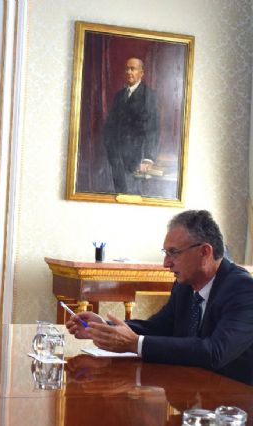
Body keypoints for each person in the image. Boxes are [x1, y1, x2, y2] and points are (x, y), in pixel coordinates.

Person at [66, 210, 253, 385]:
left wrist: (135, 344)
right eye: (166, 253)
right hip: (191, 389)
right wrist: (104, 328)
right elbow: (160, 327)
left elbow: (215, 352)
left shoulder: (243, 289)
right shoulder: (184, 287)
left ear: (205, 252)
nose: (166, 264)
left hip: (234, 401)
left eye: (174, 253)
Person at [103, 57, 159, 195]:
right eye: (127, 69)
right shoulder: (119, 96)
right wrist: (111, 150)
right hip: (116, 159)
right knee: (118, 196)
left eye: (133, 69)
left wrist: (148, 157)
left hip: (137, 159)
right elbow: (110, 126)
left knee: (133, 197)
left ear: (141, 73)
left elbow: (153, 128)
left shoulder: (149, 95)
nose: (129, 72)